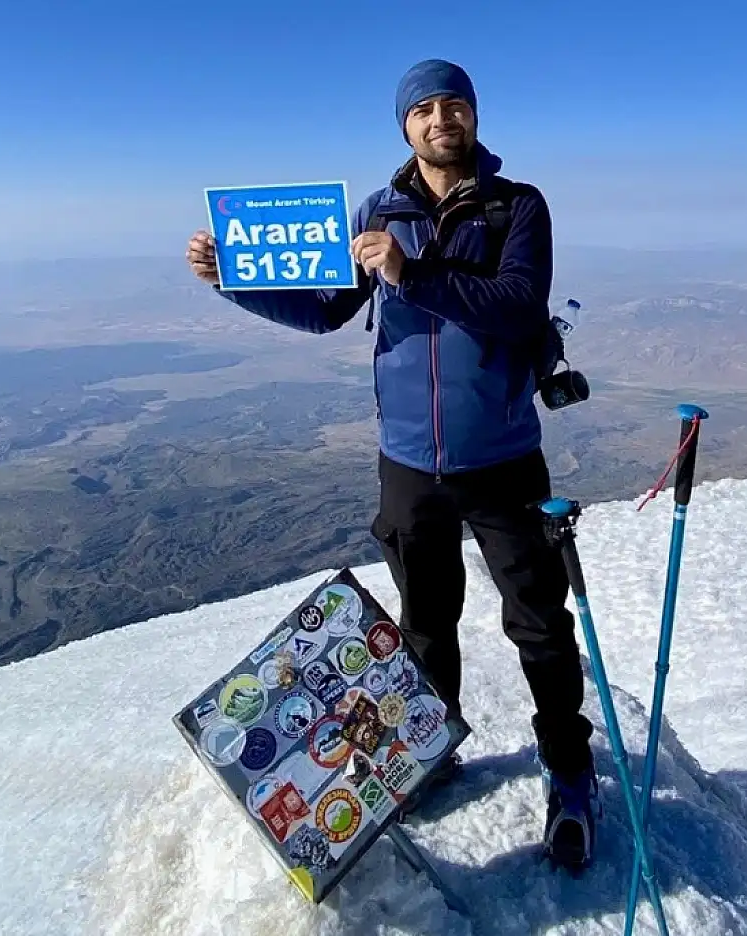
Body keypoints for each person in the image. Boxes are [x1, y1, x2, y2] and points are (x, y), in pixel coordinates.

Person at [185, 58, 599, 869]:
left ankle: (569, 767)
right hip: (409, 462)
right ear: (405, 127)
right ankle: (432, 753)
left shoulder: (518, 208)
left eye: (454, 105)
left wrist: (414, 272)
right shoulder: (380, 210)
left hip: (504, 456)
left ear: (474, 118)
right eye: (424, 109)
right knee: (424, 621)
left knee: (540, 624)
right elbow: (327, 308)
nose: (441, 117)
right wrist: (232, 281)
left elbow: (517, 306)